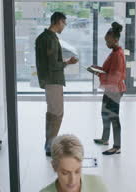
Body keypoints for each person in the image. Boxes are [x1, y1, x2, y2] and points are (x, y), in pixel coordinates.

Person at [36, 12, 79, 156]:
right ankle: (50, 146)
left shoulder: (42, 37)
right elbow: (53, 64)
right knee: (57, 114)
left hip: (47, 80)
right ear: (58, 21)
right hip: (53, 80)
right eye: (64, 23)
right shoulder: (51, 39)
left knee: (51, 113)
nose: (64, 26)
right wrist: (68, 62)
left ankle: (48, 143)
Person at [90, 22, 126, 155]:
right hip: (110, 88)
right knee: (105, 113)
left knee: (113, 117)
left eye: (108, 41)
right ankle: (105, 139)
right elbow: (109, 71)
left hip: (115, 90)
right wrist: (98, 69)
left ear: (115, 40)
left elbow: (115, 77)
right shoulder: (114, 52)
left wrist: (99, 73)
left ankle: (117, 146)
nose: (106, 43)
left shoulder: (118, 55)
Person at [40, 134, 108, 192]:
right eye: (65, 173)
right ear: (54, 166)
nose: (72, 180)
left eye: (77, 171)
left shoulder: (97, 185)